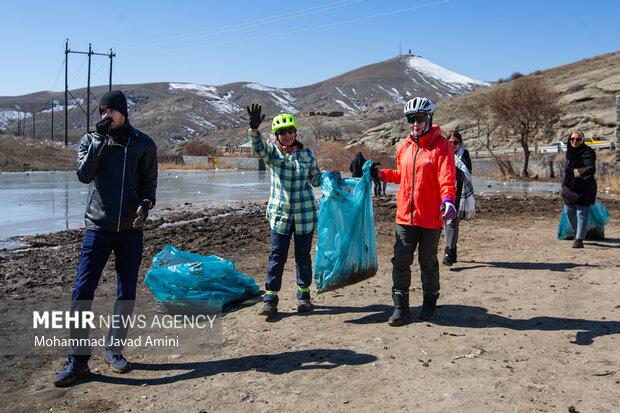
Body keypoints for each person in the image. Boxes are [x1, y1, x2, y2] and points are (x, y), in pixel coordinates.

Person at [54, 90, 158, 387]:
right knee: (83, 290)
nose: (104, 116)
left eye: (109, 111)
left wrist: (146, 206)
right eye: (101, 111)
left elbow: (150, 185)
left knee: (126, 291)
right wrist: (99, 140)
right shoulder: (91, 140)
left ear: (122, 112)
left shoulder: (143, 143)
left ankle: (114, 350)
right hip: (97, 228)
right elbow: (83, 175)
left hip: (130, 230)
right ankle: (78, 358)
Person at [376, 97, 456, 326]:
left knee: (428, 261)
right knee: (400, 261)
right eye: (411, 119)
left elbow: (446, 176)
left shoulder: (442, 146)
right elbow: (402, 176)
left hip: (431, 215)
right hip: (405, 216)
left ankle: (430, 306)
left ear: (429, 118)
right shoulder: (405, 146)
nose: (415, 124)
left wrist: (448, 199)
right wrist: (381, 174)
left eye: (419, 119)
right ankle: (401, 309)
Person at [247, 104, 324, 318]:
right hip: (280, 215)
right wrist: (254, 130)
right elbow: (258, 147)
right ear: (276, 135)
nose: (287, 135)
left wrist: (330, 179)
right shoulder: (272, 153)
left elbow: (315, 178)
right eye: (282, 132)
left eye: (290, 130)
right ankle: (270, 299)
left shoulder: (307, 154)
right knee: (277, 256)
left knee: (303, 257)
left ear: (295, 132)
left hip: (305, 214)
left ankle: (304, 296)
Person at [442, 131, 474, 266]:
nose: (453, 145)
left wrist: (451, 167)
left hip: (459, 194)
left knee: (452, 223)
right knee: (446, 223)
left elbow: (466, 173)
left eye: (455, 142)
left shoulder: (464, 155)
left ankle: (448, 252)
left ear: (460, 143)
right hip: (443, 193)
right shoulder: (442, 155)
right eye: (450, 142)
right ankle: (452, 250)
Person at [561, 130, 597, 248]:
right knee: (568, 212)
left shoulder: (587, 153)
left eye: (578, 139)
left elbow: (591, 168)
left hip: (584, 187)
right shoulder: (570, 153)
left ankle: (579, 239)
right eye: (572, 139)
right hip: (570, 187)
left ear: (582, 140)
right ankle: (577, 232)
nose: (575, 141)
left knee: (582, 213)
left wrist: (575, 172)